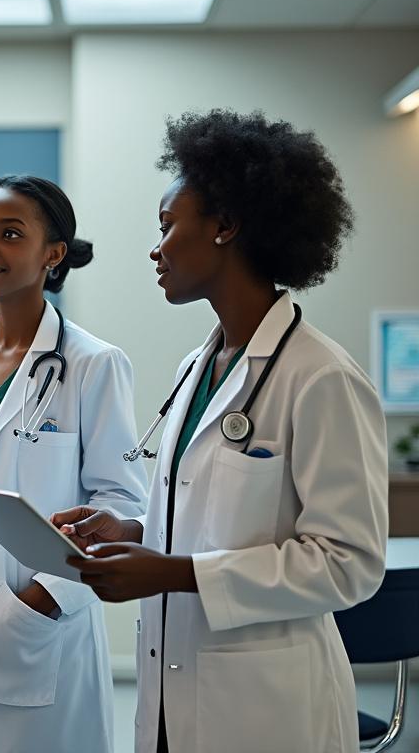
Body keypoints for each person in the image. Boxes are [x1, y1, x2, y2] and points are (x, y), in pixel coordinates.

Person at [59, 109, 388, 753]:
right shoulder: (200, 365)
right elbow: (210, 516)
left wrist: (176, 573)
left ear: (226, 226)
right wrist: (135, 533)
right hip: (172, 689)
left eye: (166, 225)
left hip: (267, 708)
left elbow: (349, 564)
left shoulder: (320, 377)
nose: (155, 248)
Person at [0, 175, 147, 753]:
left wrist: (44, 599)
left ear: (53, 254)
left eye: (9, 234)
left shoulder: (93, 364)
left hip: (36, 619)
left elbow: (122, 500)